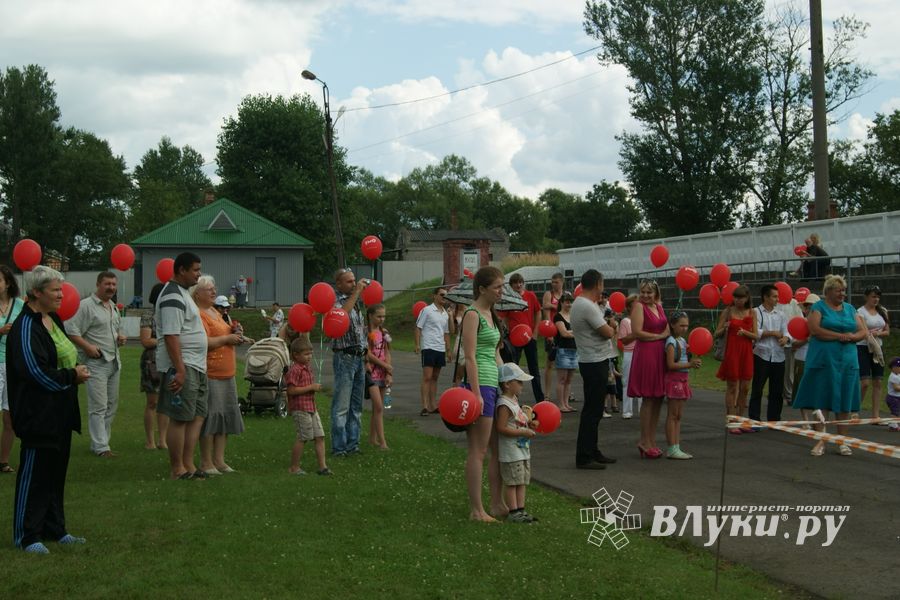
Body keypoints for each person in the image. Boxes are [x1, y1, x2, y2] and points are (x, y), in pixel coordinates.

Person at [8, 266, 91, 553]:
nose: (61, 295)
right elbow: (35, 372)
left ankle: (55, 529)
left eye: (61, 289)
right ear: (36, 292)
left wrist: (74, 370)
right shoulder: (25, 326)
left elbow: (64, 352)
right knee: (35, 477)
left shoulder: (53, 318)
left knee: (55, 475)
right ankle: (27, 535)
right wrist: (72, 376)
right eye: (55, 290)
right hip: (37, 416)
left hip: (60, 413)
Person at [794, 275, 867, 456]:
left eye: (843, 290)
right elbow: (815, 330)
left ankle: (842, 442)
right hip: (824, 360)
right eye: (838, 290)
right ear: (828, 292)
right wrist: (839, 336)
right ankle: (821, 441)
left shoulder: (850, 309)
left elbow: (863, 331)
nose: (842, 293)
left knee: (844, 401)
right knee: (822, 399)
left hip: (847, 361)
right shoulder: (818, 307)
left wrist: (851, 337)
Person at [155, 252, 208, 480]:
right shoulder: (171, 296)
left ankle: (189, 464)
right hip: (183, 366)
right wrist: (180, 369)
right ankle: (177, 468)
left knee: (196, 416)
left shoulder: (184, 294)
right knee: (180, 417)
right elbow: (171, 336)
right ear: (181, 270)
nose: (199, 274)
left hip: (197, 366)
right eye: (195, 270)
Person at [461, 265, 506, 522]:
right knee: (478, 450)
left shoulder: (491, 314)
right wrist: (476, 393)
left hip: (495, 385)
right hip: (481, 387)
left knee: (497, 450)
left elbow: (495, 353)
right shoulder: (472, 314)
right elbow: (470, 356)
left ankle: (497, 503)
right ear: (482, 289)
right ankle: (477, 510)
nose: (501, 291)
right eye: (497, 287)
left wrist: (510, 380)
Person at [66, 271, 126, 457]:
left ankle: (101, 442)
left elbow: (111, 331)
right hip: (95, 363)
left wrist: (119, 338)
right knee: (98, 406)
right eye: (107, 284)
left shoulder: (113, 307)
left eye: (113, 284)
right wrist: (87, 347)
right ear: (98, 284)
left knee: (111, 405)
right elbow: (70, 330)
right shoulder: (85, 306)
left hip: (114, 361)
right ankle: (101, 447)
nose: (111, 288)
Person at [195, 276, 246, 475]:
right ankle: (206, 462)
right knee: (211, 418)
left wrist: (235, 331)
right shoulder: (199, 314)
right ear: (197, 293)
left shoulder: (215, 312)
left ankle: (219, 460)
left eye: (214, 288)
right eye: (208, 289)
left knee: (225, 417)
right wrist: (227, 338)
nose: (213, 291)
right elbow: (203, 342)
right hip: (212, 373)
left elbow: (225, 333)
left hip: (228, 372)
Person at [569, 269, 618, 469]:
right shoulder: (586, 306)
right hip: (593, 361)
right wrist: (613, 325)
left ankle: (592, 449)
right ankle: (584, 455)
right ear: (598, 284)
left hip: (594, 359)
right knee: (592, 410)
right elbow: (607, 332)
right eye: (602, 284)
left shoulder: (582, 304)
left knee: (596, 409)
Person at [330, 268, 370, 457]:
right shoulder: (335, 301)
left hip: (358, 357)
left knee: (356, 405)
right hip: (344, 357)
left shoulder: (355, 303)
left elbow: (360, 330)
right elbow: (341, 317)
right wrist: (356, 293)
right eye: (349, 282)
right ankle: (339, 447)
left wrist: (366, 353)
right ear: (338, 284)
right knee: (341, 405)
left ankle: (353, 444)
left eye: (354, 281)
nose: (353, 284)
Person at [628, 280, 669, 459]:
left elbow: (667, 329)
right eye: (643, 292)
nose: (645, 295)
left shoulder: (659, 307)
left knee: (658, 397)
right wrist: (657, 336)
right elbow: (637, 332)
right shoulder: (638, 306)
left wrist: (661, 337)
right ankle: (644, 440)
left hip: (660, 353)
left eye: (649, 293)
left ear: (655, 294)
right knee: (648, 398)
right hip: (646, 354)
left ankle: (651, 440)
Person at [495, 363, 538, 523]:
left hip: (521, 450)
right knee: (512, 482)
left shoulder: (514, 400)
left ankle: (521, 510)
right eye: (519, 382)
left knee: (522, 481)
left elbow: (519, 420)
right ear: (507, 384)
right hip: (511, 452)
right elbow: (501, 427)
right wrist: (522, 432)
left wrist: (529, 423)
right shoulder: (504, 404)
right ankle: (513, 512)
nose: (522, 385)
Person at [714, 285, 758, 434]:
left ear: (747, 298)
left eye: (741, 298)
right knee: (732, 386)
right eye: (736, 297)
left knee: (745, 388)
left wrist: (745, 332)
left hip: (746, 352)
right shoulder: (727, 312)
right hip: (732, 352)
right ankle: (731, 420)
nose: (738, 300)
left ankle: (740, 420)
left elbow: (756, 335)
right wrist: (725, 327)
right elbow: (716, 333)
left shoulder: (752, 312)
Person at [286, 337, 331, 475]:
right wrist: (311, 387)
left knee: (320, 436)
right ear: (295, 355)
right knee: (303, 437)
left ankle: (323, 467)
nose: (309, 356)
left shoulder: (308, 368)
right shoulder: (295, 370)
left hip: (311, 407)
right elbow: (291, 390)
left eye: (310, 353)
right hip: (301, 408)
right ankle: (294, 467)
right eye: (306, 354)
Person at [664, 311, 702, 459]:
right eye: (681, 325)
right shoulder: (671, 342)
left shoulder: (682, 340)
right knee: (673, 415)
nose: (685, 328)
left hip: (683, 379)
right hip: (675, 380)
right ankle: (672, 447)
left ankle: (676, 446)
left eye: (687, 325)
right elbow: (670, 364)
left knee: (678, 415)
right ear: (673, 325)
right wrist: (689, 364)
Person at [749, 284, 789, 423]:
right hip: (761, 354)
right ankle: (754, 419)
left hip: (778, 356)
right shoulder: (756, 312)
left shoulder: (781, 314)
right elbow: (756, 332)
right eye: (774, 296)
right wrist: (772, 333)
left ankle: (774, 419)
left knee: (777, 391)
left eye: (777, 296)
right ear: (765, 297)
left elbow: (787, 331)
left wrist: (785, 338)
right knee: (758, 389)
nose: (777, 299)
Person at [0, 265, 25, 473]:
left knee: (10, 415)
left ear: (8, 283)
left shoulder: (20, 304)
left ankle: (3, 461)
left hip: (13, 365)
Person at [503, 273, 544, 402]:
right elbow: (503, 316)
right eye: (515, 283)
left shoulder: (530, 296)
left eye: (520, 282)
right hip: (515, 339)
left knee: (534, 370)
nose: (519, 285)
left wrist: (535, 331)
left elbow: (538, 311)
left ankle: (540, 400)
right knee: (514, 369)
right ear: (511, 285)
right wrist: (509, 331)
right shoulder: (508, 298)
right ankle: (513, 398)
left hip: (529, 337)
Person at [139, 283, 168, 450]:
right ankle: (150, 441)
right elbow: (145, 341)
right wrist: (166, 341)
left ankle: (163, 440)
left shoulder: (170, 314)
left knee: (165, 402)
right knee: (152, 402)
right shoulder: (148, 315)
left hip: (167, 360)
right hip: (152, 362)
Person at [414, 287, 451, 416]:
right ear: (434, 296)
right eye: (441, 295)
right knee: (427, 377)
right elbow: (418, 327)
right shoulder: (427, 310)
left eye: (445, 296)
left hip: (440, 348)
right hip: (428, 347)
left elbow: (447, 333)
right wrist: (418, 344)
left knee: (435, 378)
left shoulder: (445, 314)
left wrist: (448, 350)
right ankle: (424, 406)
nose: (444, 297)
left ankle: (433, 405)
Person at [856, 285, 890, 422]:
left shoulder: (883, 311)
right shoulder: (860, 312)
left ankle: (875, 415)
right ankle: (855, 410)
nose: (875, 299)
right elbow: (861, 329)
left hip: (877, 348)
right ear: (867, 297)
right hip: (863, 347)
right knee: (864, 382)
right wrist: (869, 334)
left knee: (878, 381)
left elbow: (887, 331)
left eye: (877, 296)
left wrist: (878, 333)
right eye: (873, 296)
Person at [366, 303, 392, 449]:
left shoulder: (384, 332)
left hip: (383, 372)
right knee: (379, 406)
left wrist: (388, 372)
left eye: (384, 316)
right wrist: (384, 365)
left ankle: (373, 438)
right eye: (379, 316)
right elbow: (367, 353)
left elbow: (387, 352)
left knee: (377, 409)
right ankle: (383, 442)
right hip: (372, 372)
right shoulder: (366, 332)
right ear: (370, 316)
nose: (382, 319)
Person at [791, 294, 819, 429]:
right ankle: (805, 419)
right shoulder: (800, 323)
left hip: (817, 359)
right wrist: (807, 339)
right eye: (808, 307)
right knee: (802, 389)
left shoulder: (821, 323)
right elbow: (793, 344)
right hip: (802, 358)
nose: (810, 309)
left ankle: (816, 418)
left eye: (813, 306)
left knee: (816, 390)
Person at [541, 272, 565, 402]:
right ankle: (547, 394)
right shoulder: (549, 294)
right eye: (552, 282)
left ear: (562, 282)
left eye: (556, 282)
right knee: (550, 363)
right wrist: (548, 334)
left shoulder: (566, 295)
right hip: (552, 330)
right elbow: (546, 310)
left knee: (565, 364)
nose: (554, 284)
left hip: (564, 331)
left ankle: (566, 392)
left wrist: (554, 306)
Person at [552, 292, 577, 413]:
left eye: (571, 301)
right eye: (567, 301)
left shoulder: (573, 316)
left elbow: (573, 331)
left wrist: (573, 332)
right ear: (561, 302)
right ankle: (560, 404)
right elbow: (564, 333)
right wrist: (576, 333)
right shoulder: (558, 317)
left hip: (574, 350)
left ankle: (566, 403)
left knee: (569, 379)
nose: (569, 304)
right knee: (562, 379)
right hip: (563, 350)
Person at [618, 294, 640, 419]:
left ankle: (643, 410)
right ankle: (627, 410)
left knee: (642, 381)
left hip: (641, 353)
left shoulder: (643, 321)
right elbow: (624, 340)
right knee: (627, 381)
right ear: (630, 307)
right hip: (629, 353)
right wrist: (637, 334)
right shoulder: (626, 321)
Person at [778, 298, 803, 406]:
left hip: (789, 342)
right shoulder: (774, 304)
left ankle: (789, 396)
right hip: (776, 342)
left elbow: (800, 321)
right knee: (777, 371)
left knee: (789, 371)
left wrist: (796, 340)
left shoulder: (793, 303)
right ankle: (777, 394)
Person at [885, 357, 900, 432]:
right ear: (894, 367)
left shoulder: (897, 375)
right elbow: (896, 388)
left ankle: (894, 423)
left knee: (896, 411)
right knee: (895, 411)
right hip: (893, 398)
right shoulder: (893, 377)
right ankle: (893, 425)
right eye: (899, 367)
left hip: (896, 397)